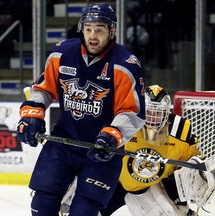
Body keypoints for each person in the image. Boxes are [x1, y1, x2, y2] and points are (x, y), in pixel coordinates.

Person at [16, 3, 145, 216]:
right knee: (43, 203)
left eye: (100, 30)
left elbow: (131, 111)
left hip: (102, 150)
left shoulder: (124, 64)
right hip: (64, 142)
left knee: (84, 210)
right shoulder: (61, 53)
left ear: (111, 31)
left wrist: (113, 135)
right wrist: (32, 113)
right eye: (88, 29)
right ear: (82, 29)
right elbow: (43, 89)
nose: (93, 35)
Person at [61, 85, 215, 216]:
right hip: (114, 180)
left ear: (167, 112)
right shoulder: (124, 122)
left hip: (151, 188)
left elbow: (193, 160)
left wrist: (201, 174)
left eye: (158, 113)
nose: (153, 118)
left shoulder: (180, 130)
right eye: (149, 112)